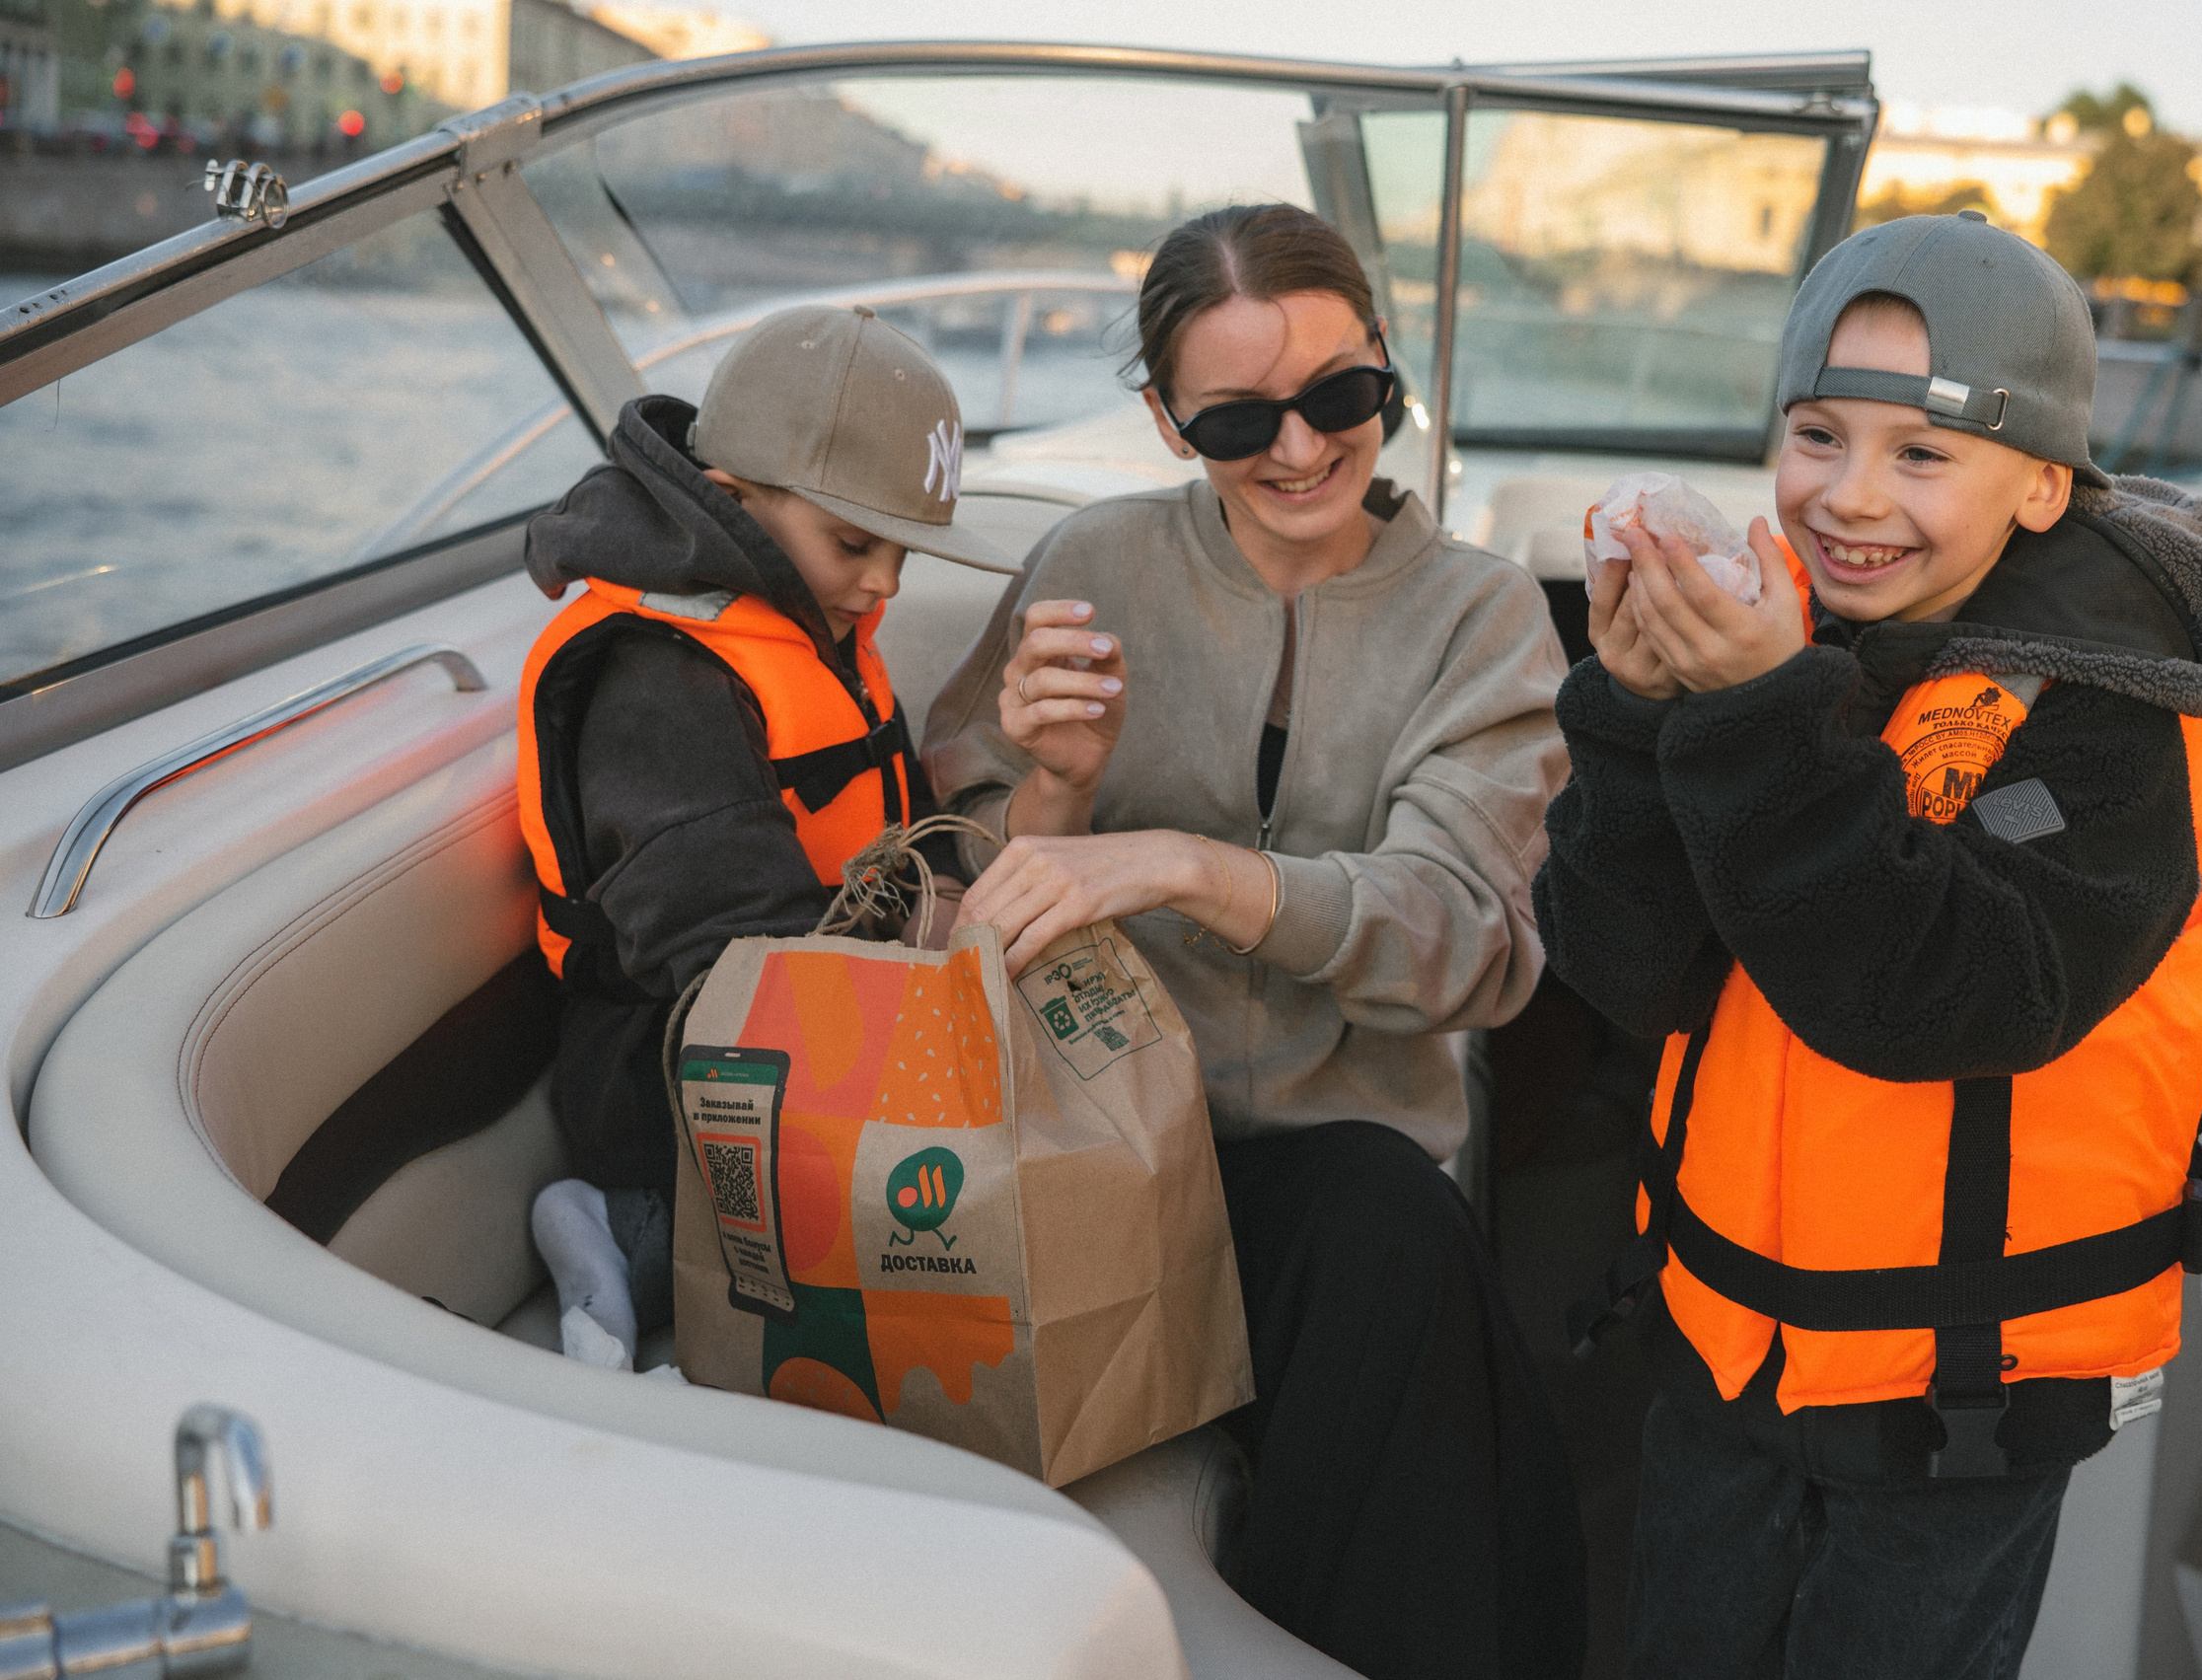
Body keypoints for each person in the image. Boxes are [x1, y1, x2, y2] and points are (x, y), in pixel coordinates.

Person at [1536, 212, 2202, 1679]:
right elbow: (1622, 971)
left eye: (1922, 455)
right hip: (1723, 1357)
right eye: (1817, 435)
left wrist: (1755, 712)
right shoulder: (1776, 645)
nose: (1850, 497)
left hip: (1963, 1403)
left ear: (2040, 490)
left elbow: (1930, 993)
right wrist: (1634, 720)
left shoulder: (2104, 727)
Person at [923, 203, 1586, 1680]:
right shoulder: (1090, 562)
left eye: (1340, 397)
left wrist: (1181, 864)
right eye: (1237, 417)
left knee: (1381, 1227)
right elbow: (943, 920)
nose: (1298, 449)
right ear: (1167, 418)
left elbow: (1466, 943)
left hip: (1327, 1171)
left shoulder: (1483, 621)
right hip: (1084, 1146)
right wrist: (1055, 791)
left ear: (1387, 366)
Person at [514, 306, 1014, 1367]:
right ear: (734, 503)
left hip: (834, 998)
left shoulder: (818, 628)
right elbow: (729, 954)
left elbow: (891, 841)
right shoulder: (659, 679)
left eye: (902, 553)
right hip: (671, 1069)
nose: (883, 582)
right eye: (853, 544)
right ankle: (617, 1225)